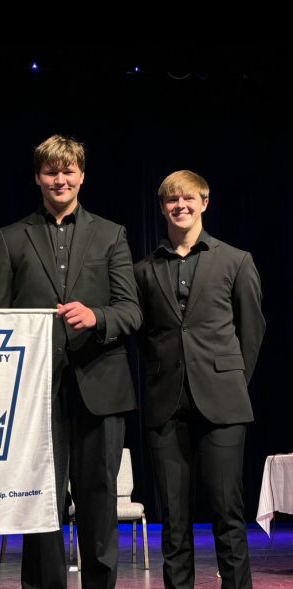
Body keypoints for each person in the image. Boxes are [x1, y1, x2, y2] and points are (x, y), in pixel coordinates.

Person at [0, 135, 141, 589]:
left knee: (99, 502)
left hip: (101, 386)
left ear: (81, 176)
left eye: (68, 170)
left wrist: (97, 316)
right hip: (35, 394)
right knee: (41, 503)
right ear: (38, 177)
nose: (60, 179)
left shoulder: (111, 234)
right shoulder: (10, 238)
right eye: (51, 171)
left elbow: (130, 310)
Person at [134, 170, 265, 589]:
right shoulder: (145, 269)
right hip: (165, 402)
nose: (180, 206)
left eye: (189, 198)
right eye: (172, 200)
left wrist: (232, 379)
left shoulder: (235, 260)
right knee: (173, 519)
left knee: (227, 511)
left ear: (204, 202)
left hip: (222, 402)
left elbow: (252, 329)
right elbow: (143, 335)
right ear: (162, 208)